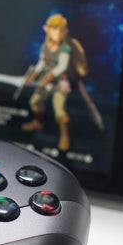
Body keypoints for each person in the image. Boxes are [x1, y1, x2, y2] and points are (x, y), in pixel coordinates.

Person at [21, 14, 103, 151]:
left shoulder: (65, 48)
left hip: (60, 82)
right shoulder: (45, 46)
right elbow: (41, 63)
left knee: (59, 109)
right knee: (35, 101)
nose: (57, 33)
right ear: (47, 29)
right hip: (45, 82)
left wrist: (49, 76)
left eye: (60, 30)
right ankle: (38, 122)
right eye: (54, 29)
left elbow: (62, 66)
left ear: (65, 32)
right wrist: (32, 76)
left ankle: (64, 135)